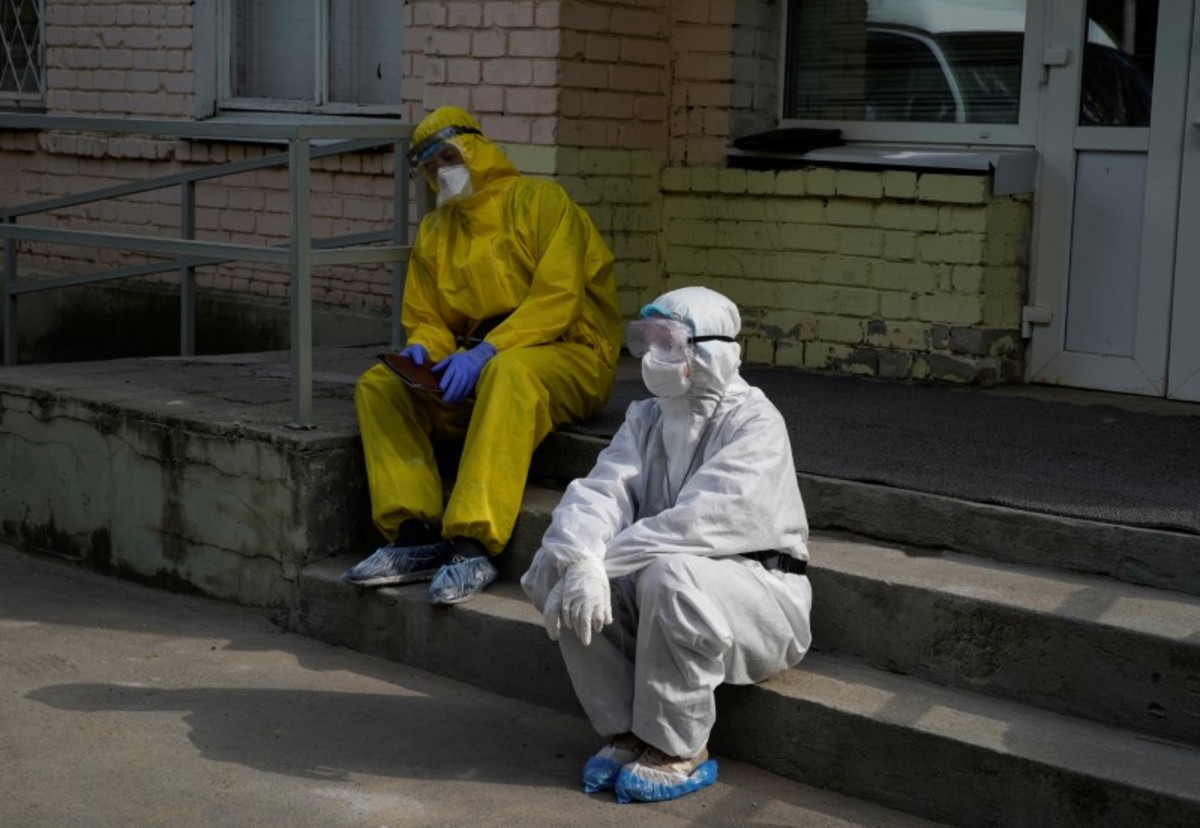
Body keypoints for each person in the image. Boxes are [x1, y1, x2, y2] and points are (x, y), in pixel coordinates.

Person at [520, 286, 812, 804]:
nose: (654, 355)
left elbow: (698, 524)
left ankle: (678, 746)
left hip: (760, 594)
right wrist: (581, 559)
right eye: (648, 340)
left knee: (669, 572)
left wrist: (601, 562)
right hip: (666, 581)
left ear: (711, 350)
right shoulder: (647, 417)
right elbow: (602, 491)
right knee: (555, 564)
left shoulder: (755, 422)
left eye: (669, 342)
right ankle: (626, 730)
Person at [343, 106, 622, 606]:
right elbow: (429, 316)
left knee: (508, 372)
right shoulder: (436, 230)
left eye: (448, 157)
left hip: (571, 353)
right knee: (380, 386)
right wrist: (425, 349)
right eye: (430, 166)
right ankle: (413, 533)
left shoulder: (541, 202)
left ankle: (473, 542)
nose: (441, 171)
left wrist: (489, 350)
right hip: (481, 362)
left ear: (476, 148)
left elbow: (558, 299)